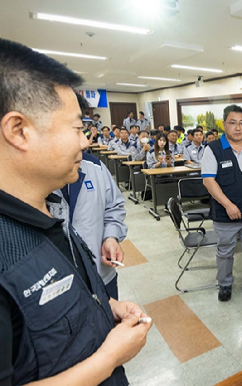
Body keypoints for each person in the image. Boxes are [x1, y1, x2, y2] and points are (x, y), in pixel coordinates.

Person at [0, 37, 150, 386]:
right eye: (78, 128)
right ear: (19, 131)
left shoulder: (51, 214)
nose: (86, 141)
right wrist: (109, 357)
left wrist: (103, 308)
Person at [201, 104, 242, 302]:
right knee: (225, 252)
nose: (238, 128)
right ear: (224, 124)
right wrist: (228, 205)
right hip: (224, 215)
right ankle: (225, 284)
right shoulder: (213, 149)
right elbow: (208, 181)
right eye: (233, 123)